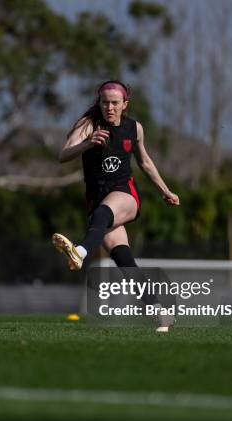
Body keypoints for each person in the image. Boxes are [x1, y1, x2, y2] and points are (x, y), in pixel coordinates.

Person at [52, 80, 179, 331]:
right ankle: (158, 311)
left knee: (102, 214)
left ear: (125, 104)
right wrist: (87, 143)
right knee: (124, 259)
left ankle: (81, 251)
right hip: (96, 197)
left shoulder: (135, 128)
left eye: (114, 103)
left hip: (125, 194)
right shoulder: (88, 124)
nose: (109, 107)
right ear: (98, 103)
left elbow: (145, 163)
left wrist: (165, 190)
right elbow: (63, 155)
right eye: (104, 102)